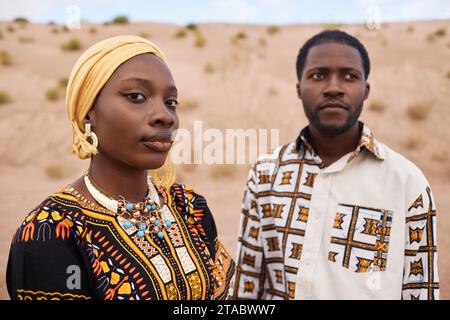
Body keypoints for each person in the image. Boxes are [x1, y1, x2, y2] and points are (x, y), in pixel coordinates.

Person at [7, 35, 234, 300]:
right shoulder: (51, 232)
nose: (166, 116)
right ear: (88, 112)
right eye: (136, 96)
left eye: (171, 102)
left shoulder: (189, 205)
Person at [231, 30, 439, 300]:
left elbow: (420, 289)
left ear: (365, 90)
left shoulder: (407, 182)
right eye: (318, 75)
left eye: (349, 76)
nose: (333, 87)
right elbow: (247, 282)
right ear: (298, 89)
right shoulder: (266, 173)